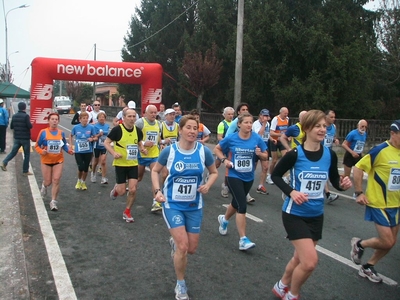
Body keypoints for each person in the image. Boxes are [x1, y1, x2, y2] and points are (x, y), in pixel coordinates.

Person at [270, 110, 352, 300]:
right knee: (309, 262)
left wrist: (343, 185)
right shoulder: (295, 154)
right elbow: (275, 176)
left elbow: (334, 181)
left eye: (325, 126)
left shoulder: (329, 155)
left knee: (299, 258)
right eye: (318, 126)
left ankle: (281, 284)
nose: (323, 129)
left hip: (316, 215)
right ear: (307, 128)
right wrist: (291, 191)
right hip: (294, 214)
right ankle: (292, 295)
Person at [150, 115, 218, 300]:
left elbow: (213, 172)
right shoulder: (169, 152)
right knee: (183, 246)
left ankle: (176, 243)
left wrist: (208, 185)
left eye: (195, 128)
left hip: (194, 205)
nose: (192, 131)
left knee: (192, 248)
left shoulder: (204, 152)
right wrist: (157, 191)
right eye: (188, 127)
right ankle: (180, 284)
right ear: (180, 130)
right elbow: (155, 170)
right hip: (172, 204)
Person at [350, 120, 400, 284]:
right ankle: (360, 244)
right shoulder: (380, 150)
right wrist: (359, 192)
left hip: (396, 204)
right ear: (393, 134)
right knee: (387, 241)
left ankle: (368, 266)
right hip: (378, 203)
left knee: (390, 244)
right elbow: (358, 168)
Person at [214, 112, 269, 250]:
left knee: (236, 202)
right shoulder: (231, 138)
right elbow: (217, 149)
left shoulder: (256, 138)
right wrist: (224, 160)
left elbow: (265, 154)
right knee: (242, 205)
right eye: (246, 122)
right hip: (233, 175)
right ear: (239, 124)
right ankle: (243, 239)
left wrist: (260, 154)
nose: (249, 125)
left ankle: (224, 219)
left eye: (251, 122)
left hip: (249, 176)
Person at [104, 108, 146, 223]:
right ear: (124, 117)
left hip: (133, 164)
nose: (132, 119)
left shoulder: (137, 130)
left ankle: (127, 211)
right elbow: (106, 142)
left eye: (134, 116)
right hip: (120, 164)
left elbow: (139, 142)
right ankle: (116, 190)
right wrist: (113, 153)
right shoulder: (117, 130)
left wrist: (142, 149)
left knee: (133, 189)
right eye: (130, 116)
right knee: (122, 191)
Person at [34, 112, 74, 211]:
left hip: (58, 160)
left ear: (58, 121)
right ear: (48, 121)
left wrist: (69, 151)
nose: (54, 121)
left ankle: (53, 201)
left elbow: (63, 144)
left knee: (56, 180)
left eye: (56, 119)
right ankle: (44, 185)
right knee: (48, 181)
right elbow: (37, 146)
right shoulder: (43, 132)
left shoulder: (61, 133)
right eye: (52, 119)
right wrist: (41, 151)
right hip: (46, 160)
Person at [224, 102, 256, 203]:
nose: (245, 111)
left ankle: (243, 191)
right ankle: (226, 186)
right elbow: (228, 135)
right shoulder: (235, 122)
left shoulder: (249, 122)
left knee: (249, 166)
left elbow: (253, 134)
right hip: (234, 147)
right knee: (230, 166)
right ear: (238, 112)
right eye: (243, 110)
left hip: (248, 148)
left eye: (247, 110)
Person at [135, 104, 162, 212]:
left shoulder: (159, 124)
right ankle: (130, 186)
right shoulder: (140, 123)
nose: (153, 114)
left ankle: (156, 202)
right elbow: (133, 138)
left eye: (155, 112)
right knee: (139, 177)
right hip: (142, 154)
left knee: (154, 176)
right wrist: (144, 143)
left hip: (154, 155)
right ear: (145, 113)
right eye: (151, 112)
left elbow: (159, 140)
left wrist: (163, 143)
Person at [1, 102, 33, 175]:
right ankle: (25, 171)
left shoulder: (14, 116)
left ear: (18, 107)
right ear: (24, 108)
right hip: (25, 138)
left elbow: (11, 126)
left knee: (13, 152)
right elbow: (30, 126)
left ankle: (5, 162)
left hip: (17, 138)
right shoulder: (26, 116)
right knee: (27, 155)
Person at [69, 112, 97, 190]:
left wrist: (92, 139)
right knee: (80, 167)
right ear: (80, 119)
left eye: (86, 118)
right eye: (83, 118)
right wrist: (71, 144)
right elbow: (71, 135)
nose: (85, 120)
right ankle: (79, 180)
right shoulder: (76, 127)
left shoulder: (91, 127)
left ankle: (83, 182)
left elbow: (96, 137)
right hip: (78, 151)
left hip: (88, 151)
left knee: (85, 168)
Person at [267, 107, 289, 185]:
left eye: (287, 113)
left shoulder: (287, 119)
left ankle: (283, 175)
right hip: (274, 140)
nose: (286, 115)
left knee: (285, 158)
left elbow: (287, 130)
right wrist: (282, 134)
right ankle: (269, 175)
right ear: (281, 113)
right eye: (285, 113)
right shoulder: (275, 119)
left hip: (282, 141)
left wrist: (288, 136)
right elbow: (271, 133)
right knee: (274, 160)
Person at [252, 109, 271, 195]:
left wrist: (272, 139)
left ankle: (261, 185)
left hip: (264, 147)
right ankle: (247, 183)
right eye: (264, 116)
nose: (265, 118)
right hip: (256, 147)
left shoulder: (268, 124)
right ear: (260, 115)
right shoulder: (256, 124)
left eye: (267, 116)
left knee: (265, 167)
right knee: (253, 167)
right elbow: (258, 135)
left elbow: (267, 134)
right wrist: (263, 124)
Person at [322, 110, 340, 203]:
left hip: (328, 152)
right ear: (326, 117)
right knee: (324, 171)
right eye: (331, 117)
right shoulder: (322, 126)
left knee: (326, 171)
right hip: (320, 151)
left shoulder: (334, 127)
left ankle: (325, 191)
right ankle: (328, 193)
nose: (333, 119)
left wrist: (335, 140)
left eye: (334, 117)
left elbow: (333, 137)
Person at [216, 107, 234, 197]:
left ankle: (225, 186)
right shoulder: (222, 124)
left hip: (231, 149)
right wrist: (226, 143)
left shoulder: (235, 124)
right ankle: (211, 174)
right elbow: (219, 137)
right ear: (224, 115)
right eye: (229, 114)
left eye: (232, 114)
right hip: (222, 147)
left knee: (229, 166)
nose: (231, 116)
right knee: (217, 164)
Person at [160, 108, 179, 184]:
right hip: (164, 152)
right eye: (170, 114)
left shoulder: (178, 126)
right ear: (166, 116)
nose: (172, 116)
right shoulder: (161, 126)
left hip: (175, 152)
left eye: (173, 114)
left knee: (175, 173)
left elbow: (180, 139)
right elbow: (156, 141)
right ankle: (163, 190)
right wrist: (164, 141)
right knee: (165, 175)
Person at [90, 112, 110, 184]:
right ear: (97, 119)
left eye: (103, 117)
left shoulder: (107, 126)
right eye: (100, 117)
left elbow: (107, 134)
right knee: (95, 162)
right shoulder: (95, 126)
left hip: (104, 146)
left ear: (105, 118)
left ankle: (103, 178)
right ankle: (93, 173)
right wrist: (99, 134)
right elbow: (94, 136)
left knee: (103, 162)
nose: (102, 118)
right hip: (97, 146)